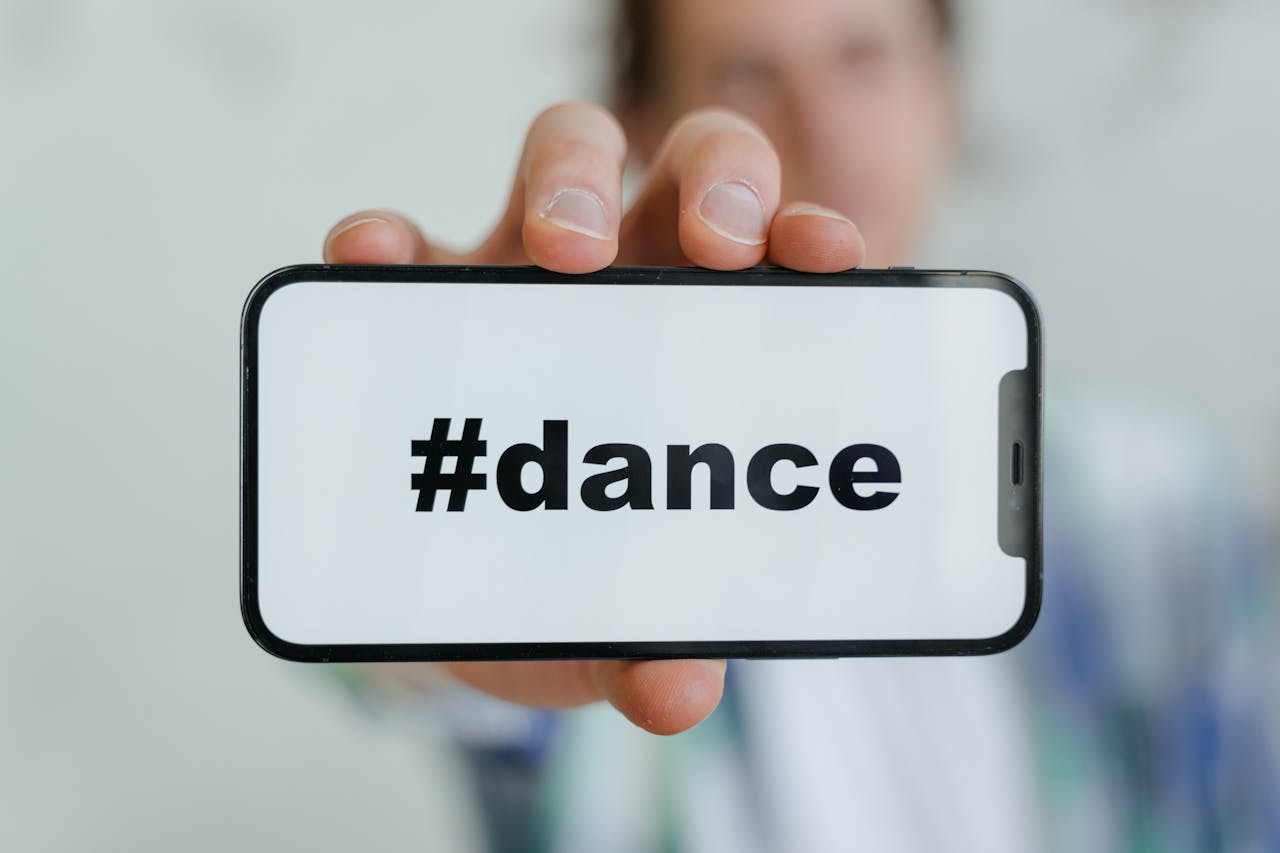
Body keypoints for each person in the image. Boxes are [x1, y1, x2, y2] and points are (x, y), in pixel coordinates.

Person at [317, 0, 1280, 849]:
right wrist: (428, 492)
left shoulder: (1163, 495)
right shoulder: (585, 509)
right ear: (646, 127)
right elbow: (403, 668)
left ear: (945, 92)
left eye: (864, 58)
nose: (824, 129)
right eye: (747, 75)